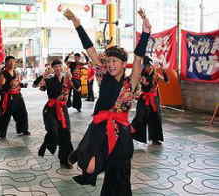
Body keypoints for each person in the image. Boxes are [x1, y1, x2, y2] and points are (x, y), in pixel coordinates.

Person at [64, 8, 151, 196]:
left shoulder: (131, 83)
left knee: (119, 175)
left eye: (115, 61)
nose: (111, 64)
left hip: (121, 134)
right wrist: (76, 23)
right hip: (99, 130)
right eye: (109, 60)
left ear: (123, 64)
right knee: (88, 167)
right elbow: (90, 49)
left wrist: (145, 33)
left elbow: (138, 58)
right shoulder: (102, 76)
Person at [32, 59, 74, 169]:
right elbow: (35, 85)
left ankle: (65, 159)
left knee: (66, 133)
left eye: (60, 66)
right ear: (53, 68)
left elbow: (77, 87)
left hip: (62, 109)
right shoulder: (49, 79)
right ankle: (46, 145)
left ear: (62, 67)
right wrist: (44, 75)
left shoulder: (67, 79)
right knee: (53, 131)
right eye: (55, 67)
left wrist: (72, 77)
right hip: (50, 109)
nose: (58, 69)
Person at [0, 56, 30, 140]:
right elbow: (1, 87)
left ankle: (22, 129)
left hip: (18, 96)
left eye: (13, 61)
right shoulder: (2, 74)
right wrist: (10, 84)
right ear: (6, 63)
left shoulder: (16, 73)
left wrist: (22, 85)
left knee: (22, 113)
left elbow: (18, 83)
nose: (12, 63)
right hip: (7, 98)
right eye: (10, 62)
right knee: (3, 116)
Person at [132, 57, 169, 145]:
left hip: (154, 99)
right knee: (140, 117)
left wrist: (163, 70)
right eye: (146, 66)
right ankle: (131, 134)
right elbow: (137, 84)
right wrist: (134, 93)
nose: (149, 67)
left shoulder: (156, 74)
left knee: (155, 118)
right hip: (144, 98)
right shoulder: (142, 75)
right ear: (144, 66)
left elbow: (166, 81)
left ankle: (155, 139)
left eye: (150, 65)